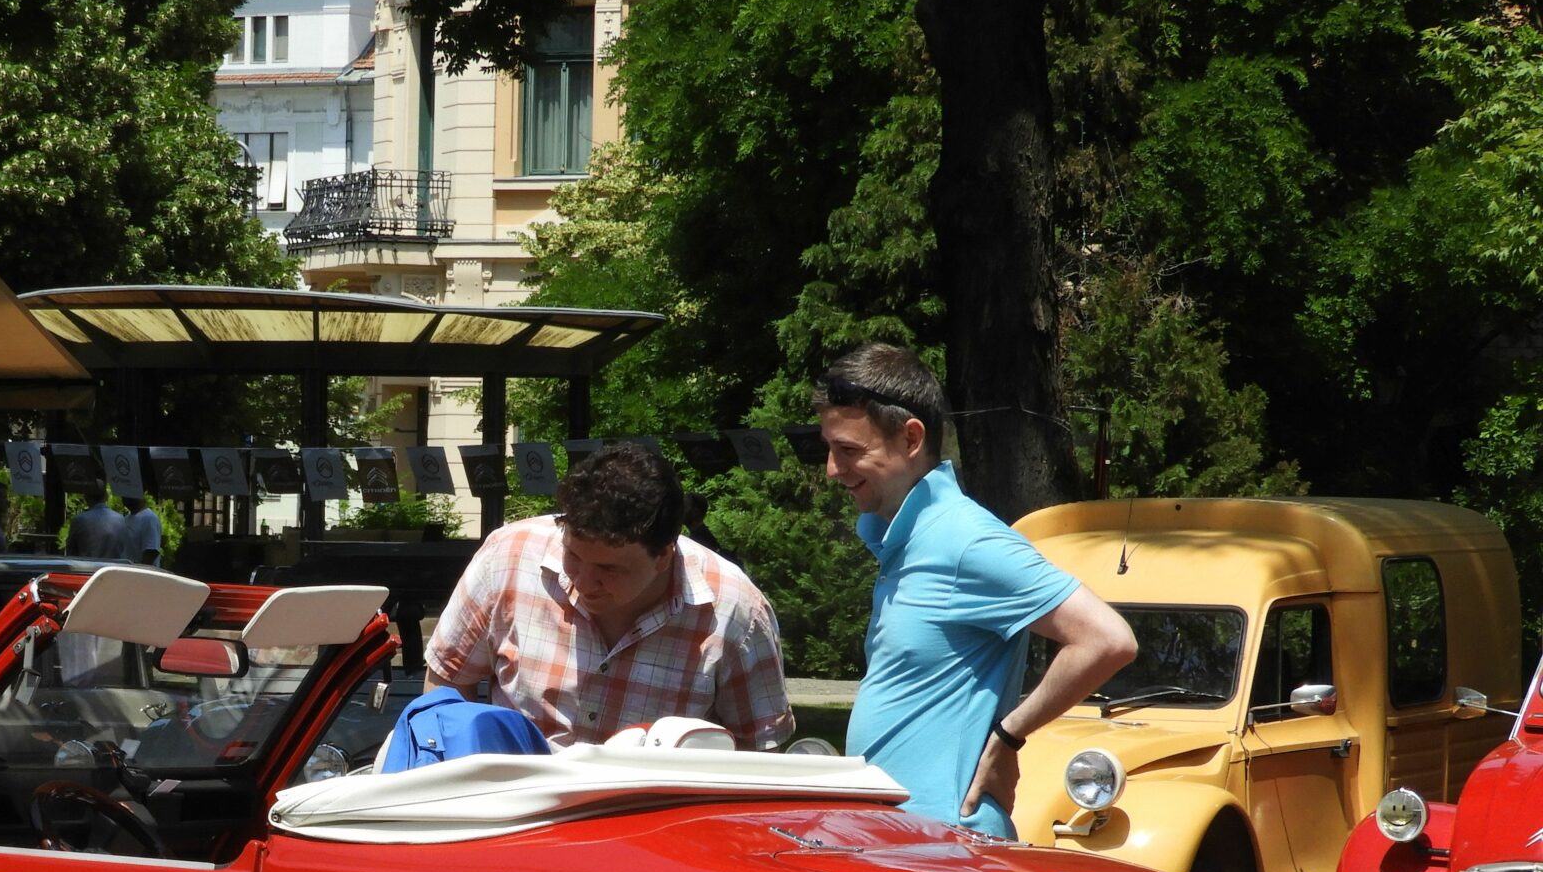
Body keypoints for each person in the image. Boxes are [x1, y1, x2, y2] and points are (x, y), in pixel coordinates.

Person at [814, 341, 1137, 836]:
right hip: (899, 843)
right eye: (830, 450)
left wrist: (1009, 738)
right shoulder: (907, 537)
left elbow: (1107, 639)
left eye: (849, 451)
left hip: (945, 847)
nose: (833, 470)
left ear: (911, 439)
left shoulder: (964, 538)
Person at [424, 441, 794, 751]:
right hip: (512, 812)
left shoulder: (735, 611)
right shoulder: (509, 557)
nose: (583, 581)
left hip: (654, 826)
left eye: (609, 570)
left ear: (663, 555)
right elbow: (444, 689)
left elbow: (759, 753)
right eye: (572, 555)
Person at [65, 481, 126, 559]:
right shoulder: (121, 519)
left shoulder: (79, 520)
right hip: (113, 569)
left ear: (86, 497)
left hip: (86, 569)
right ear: (106, 497)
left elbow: (70, 551)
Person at [118, 492, 165, 566]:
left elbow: (151, 551)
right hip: (126, 572)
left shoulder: (149, 518)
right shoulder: (126, 519)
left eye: (129, 492)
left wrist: (139, 572)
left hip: (141, 574)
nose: (124, 497)